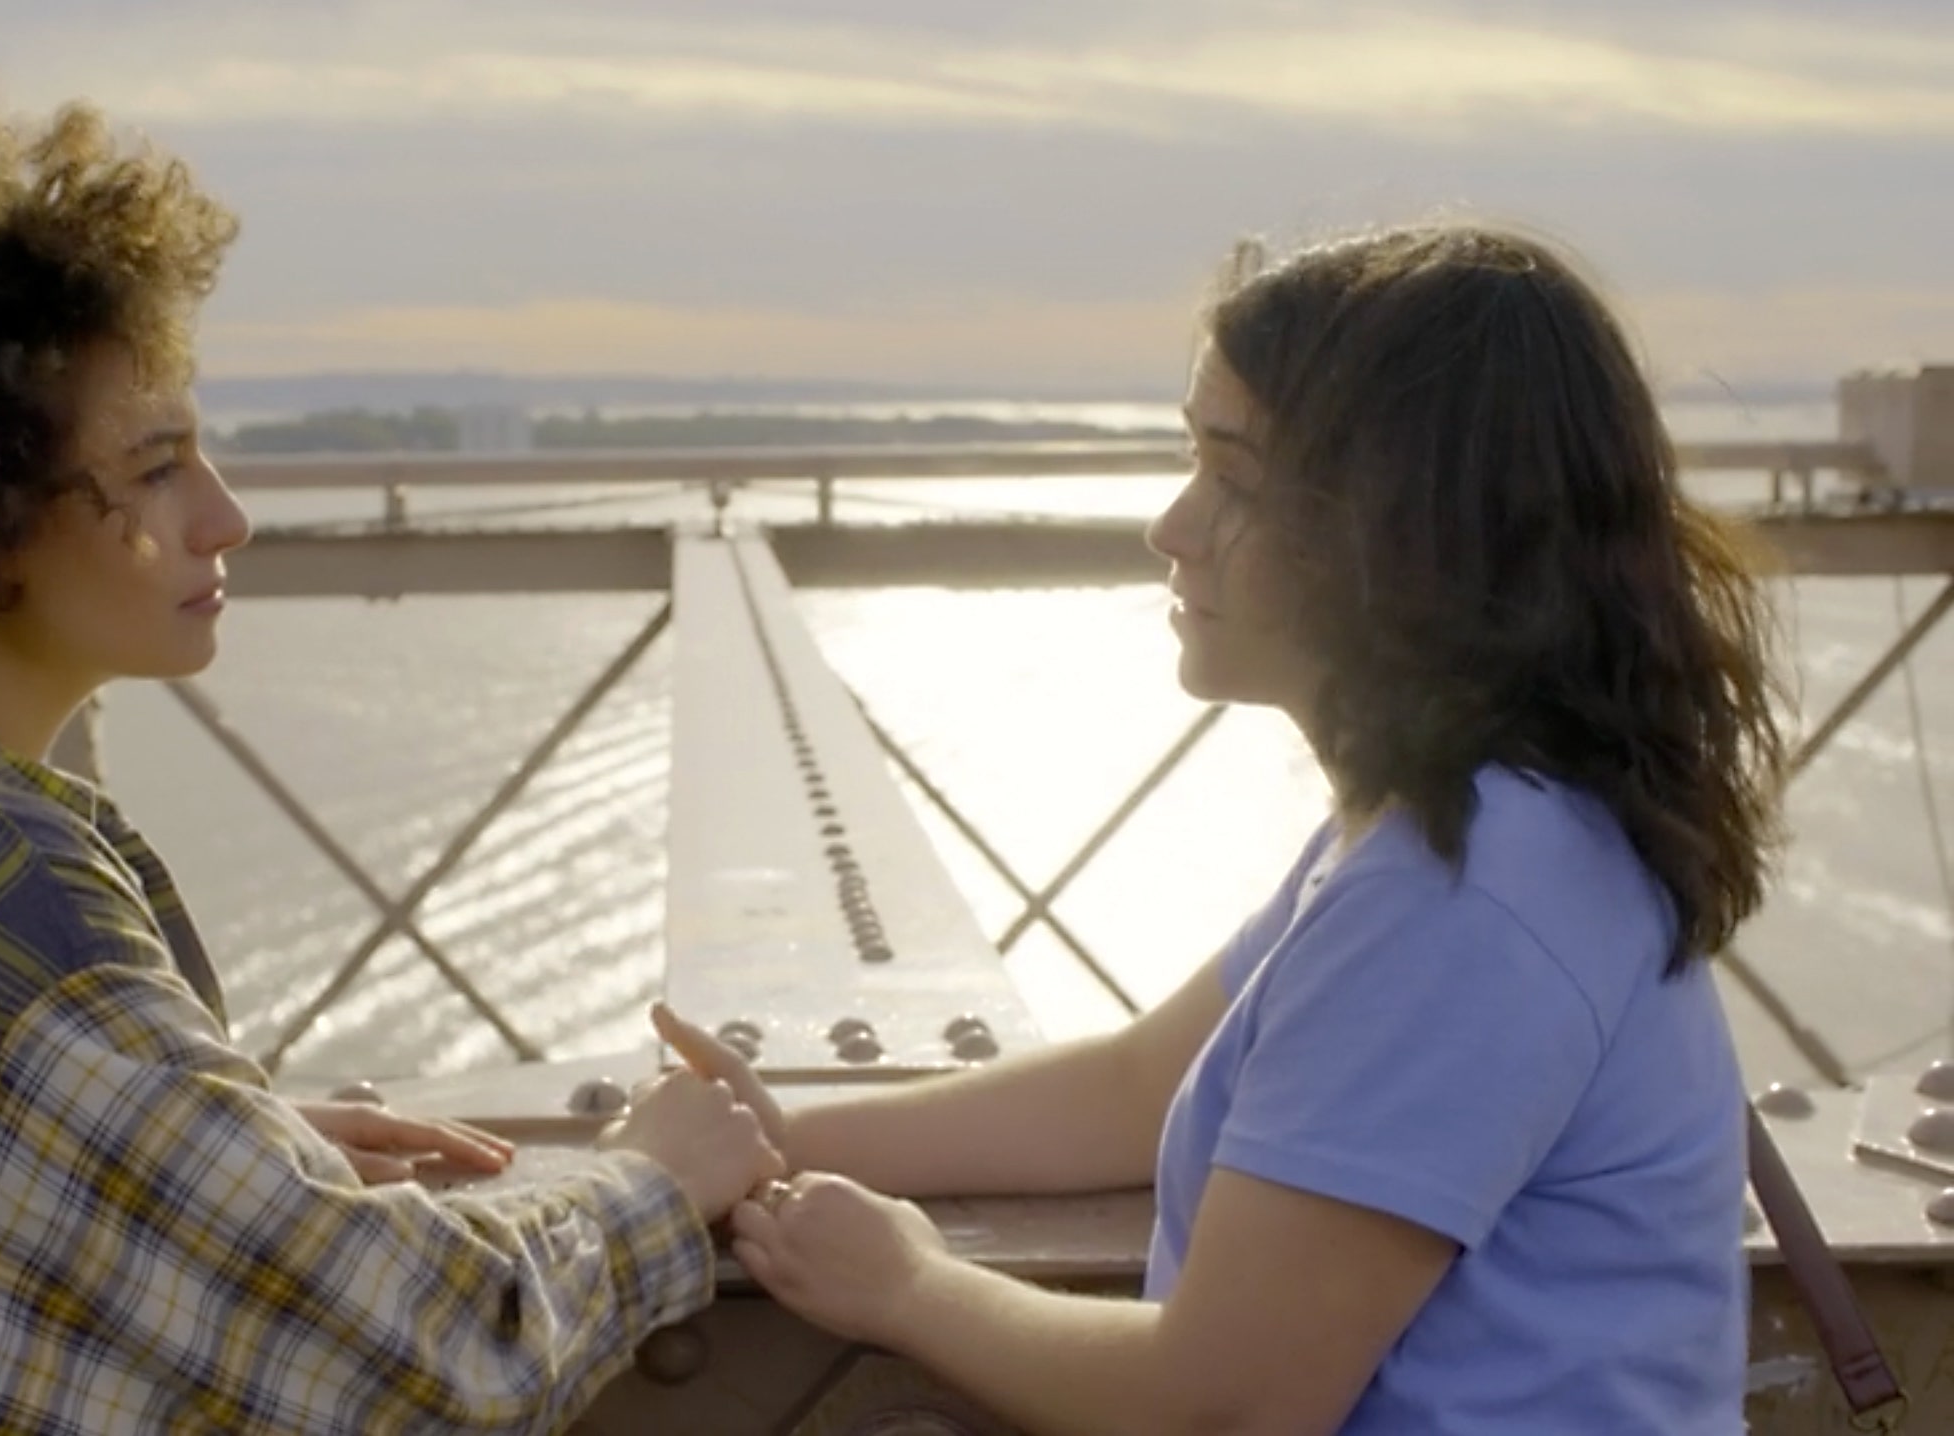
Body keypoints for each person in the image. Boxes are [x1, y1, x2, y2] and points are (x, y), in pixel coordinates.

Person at [0, 85, 783, 1436]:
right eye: (157, 469)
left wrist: (205, 1160)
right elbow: (426, 1364)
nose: (226, 519)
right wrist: (650, 1182)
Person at [656, 221, 1786, 1434]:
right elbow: (1136, 1087)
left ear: (1400, 527)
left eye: (1234, 480)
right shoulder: (1462, 833)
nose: (1173, 525)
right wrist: (783, 1136)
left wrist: (910, 1286)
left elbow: (1227, 1403)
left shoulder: (1465, 900)